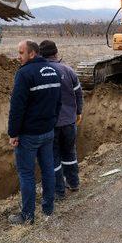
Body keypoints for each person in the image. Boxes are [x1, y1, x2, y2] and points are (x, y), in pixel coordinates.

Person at [8, 40, 62, 225]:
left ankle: (27, 216)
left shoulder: (24, 74)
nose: (18, 56)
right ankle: (48, 208)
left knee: (27, 174)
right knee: (48, 170)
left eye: (21, 52)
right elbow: (58, 102)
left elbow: (17, 107)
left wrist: (13, 133)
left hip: (29, 135)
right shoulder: (54, 71)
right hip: (48, 132)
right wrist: (52, 123)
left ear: (32, 54)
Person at [39, 40, 84, 199]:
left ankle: (58, 191)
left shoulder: (40, 72)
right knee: (70, 153)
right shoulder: (68, 70)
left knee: (53, 157)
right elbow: (78, 94)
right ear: (56, 53)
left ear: (40, 54)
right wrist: (78, 112)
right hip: (69, 122)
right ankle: (74, 183)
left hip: (50, 124)